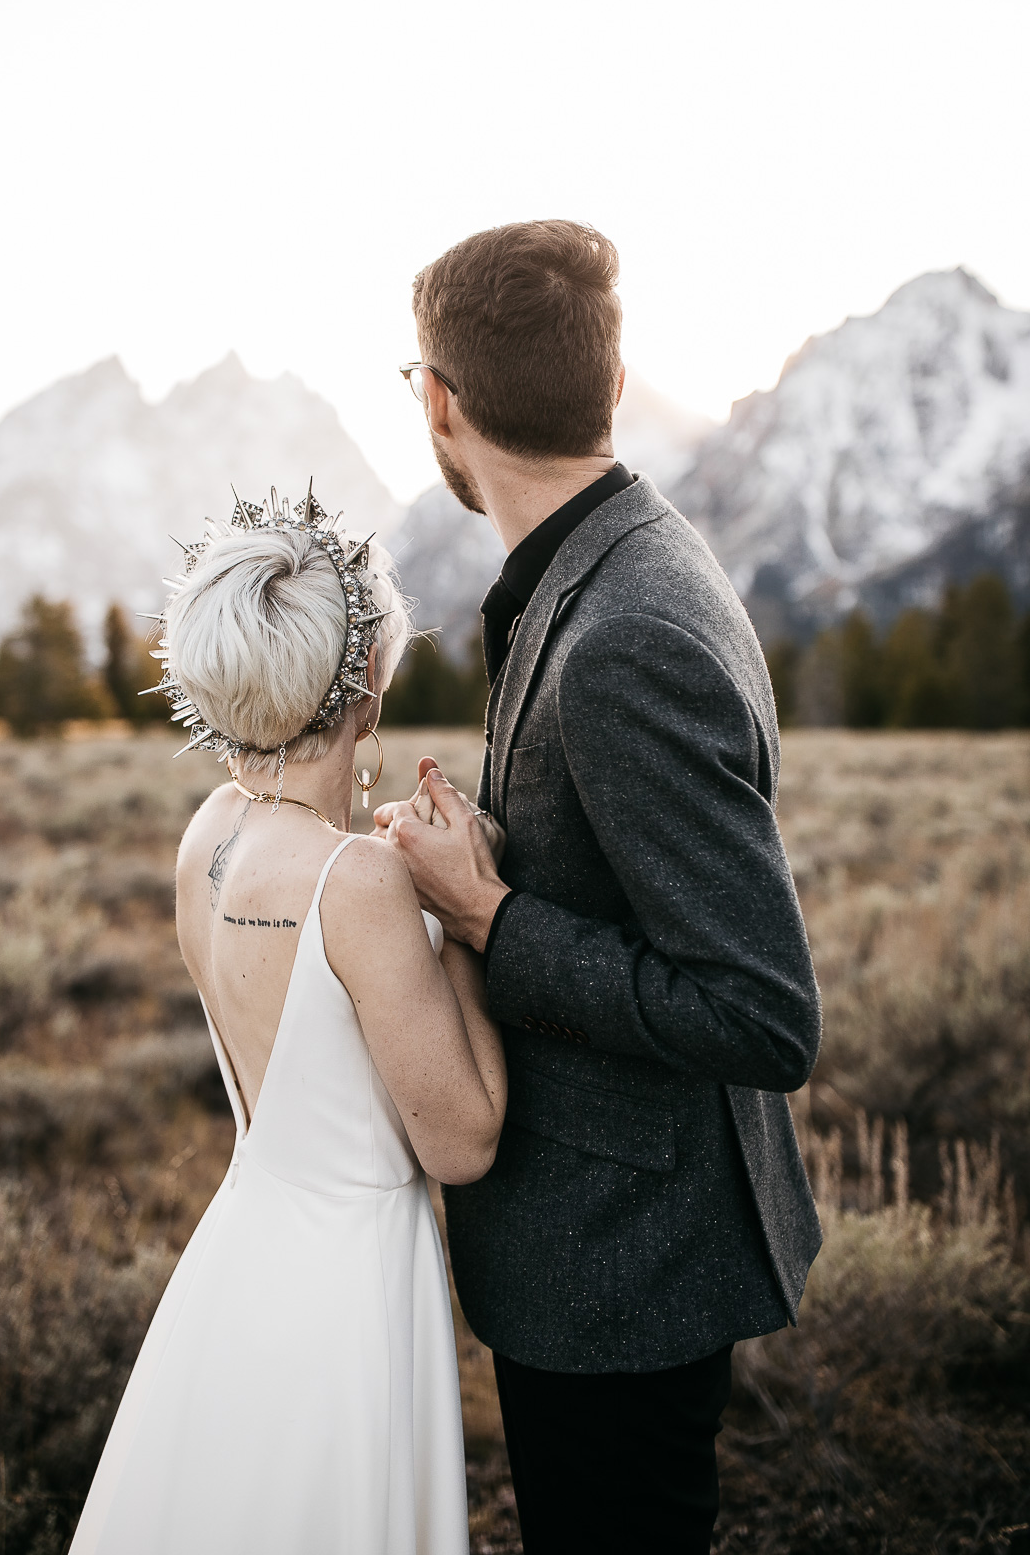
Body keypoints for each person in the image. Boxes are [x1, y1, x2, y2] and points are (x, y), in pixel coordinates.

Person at [376, 221, 823, 1555]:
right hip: (616, 1245)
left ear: (441, 405)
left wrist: (488, 917)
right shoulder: (612, 559)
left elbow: (761, 1014)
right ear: (611, 384)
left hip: (625, 1265)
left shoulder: (626, 632)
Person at [70, 490, 506, 1555]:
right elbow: (464, 1140)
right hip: (346, 1289)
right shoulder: (357, 882)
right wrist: (468, 911)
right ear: (363, 684)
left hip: (243, 1251)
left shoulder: (208, 833)